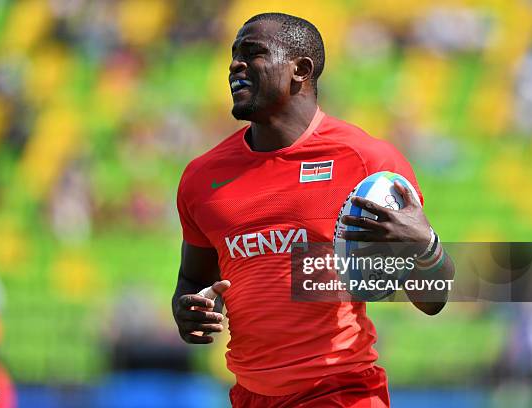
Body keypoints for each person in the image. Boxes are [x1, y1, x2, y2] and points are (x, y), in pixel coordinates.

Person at [172, 12, 455, 408]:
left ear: (300, 70)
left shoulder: (366, 162)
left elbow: (433, 298)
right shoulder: (202, 178)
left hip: (341, 392)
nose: (235, 64)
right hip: (250, 396)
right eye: (234, 54)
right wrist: (190, 311)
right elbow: (192, 279)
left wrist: (426, 247)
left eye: (252, 53)